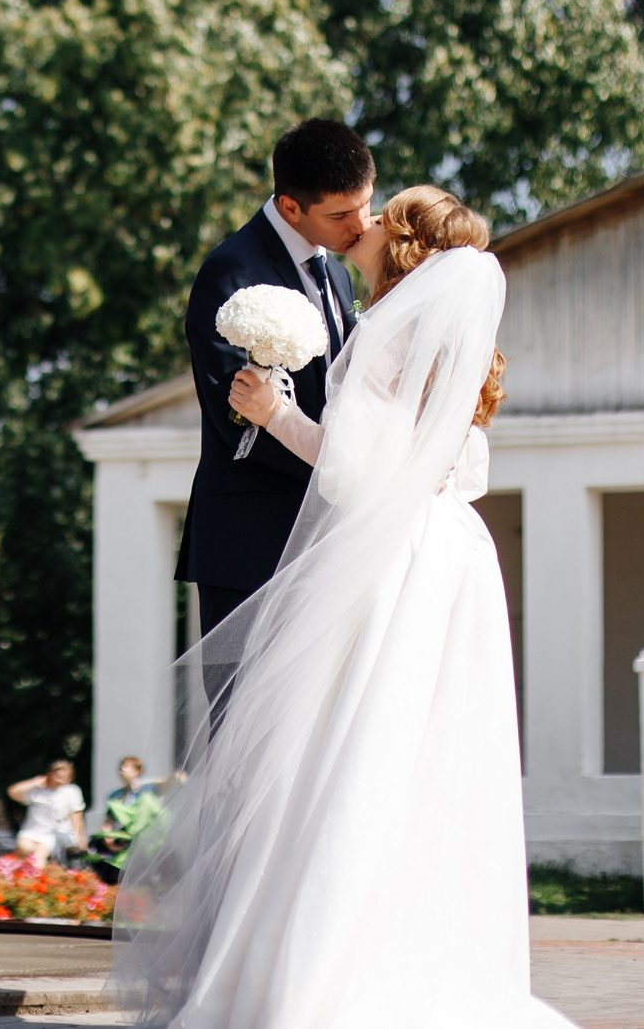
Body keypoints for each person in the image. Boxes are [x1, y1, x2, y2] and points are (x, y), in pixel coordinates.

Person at [112, 187, 571, 1029]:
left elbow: (355, 475)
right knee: (409, 758)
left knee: (344, 753)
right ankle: (403, 960)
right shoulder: (454, 343)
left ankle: (318, 971)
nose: (366, 220)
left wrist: (275, 413)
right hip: (451, 555)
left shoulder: (386, 331)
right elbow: (461, 470)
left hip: (389, 559)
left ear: (401, 243)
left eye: (385, 213)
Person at [175, 120, 373, 641]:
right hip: (252, 543)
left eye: (365, 205)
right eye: (340, 215)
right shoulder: (230, 271)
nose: (361, 225)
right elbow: (234, 414)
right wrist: (340, 465)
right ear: (290, 207)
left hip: (329, 540)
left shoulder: (337, 273)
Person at [85, 755, 166, 884]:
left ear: (137, 770)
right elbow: (108, 819)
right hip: (119, 845)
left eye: (125, 767)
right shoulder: (115, 795)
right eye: (120, 767)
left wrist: (146, 781)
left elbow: (171, 782)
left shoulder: (147, 791)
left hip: (141, 845)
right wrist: (108, 839)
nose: (121, 771)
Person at [7, 759, 86, 867]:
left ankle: (36, 876)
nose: (62, 779)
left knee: (38, 860)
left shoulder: (71, 791)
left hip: (51, 834)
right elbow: (13, 792)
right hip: (30, 831)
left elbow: (76, 815)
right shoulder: (37, 791)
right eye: (59, 775)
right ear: (50, 773)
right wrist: (34, 782)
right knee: (25, 849)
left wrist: (80, 838)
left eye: (66, 776)